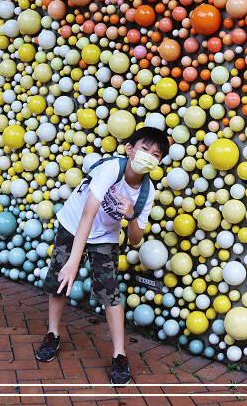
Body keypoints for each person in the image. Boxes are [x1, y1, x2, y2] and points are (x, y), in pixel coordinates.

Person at [35, 125, 170, 386]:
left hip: (106, 236)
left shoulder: (146, 192)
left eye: (156, 155)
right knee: (60, 281)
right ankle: (53, 334)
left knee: (110, 292)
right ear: (130, 149)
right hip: (74, 224)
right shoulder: (112, 169)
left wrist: (131, 215)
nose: (150, 157)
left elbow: (134, 239)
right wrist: (74, 262)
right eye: (145, 149)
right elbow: (88, 214)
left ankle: (120, 355)